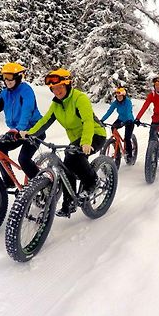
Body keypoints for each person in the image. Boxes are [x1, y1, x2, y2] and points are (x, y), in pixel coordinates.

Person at [21, 68, 107, 218]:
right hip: (76, 139)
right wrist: (30, 133)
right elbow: (45, 121)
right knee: (68, 166)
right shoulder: (56, 105)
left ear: (67, 85)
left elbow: (87, 121)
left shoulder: (80, 98)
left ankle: (92, 181)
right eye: (53, 88)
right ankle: (69, 203)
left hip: (95, 134)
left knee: (72, 156)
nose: (57, 91)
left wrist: (86, 142)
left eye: (60, 87)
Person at [100, 87, 135, 161]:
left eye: (120, 96)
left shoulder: (128, 102)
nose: (119, 98)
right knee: (113, 127)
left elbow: (128, 112)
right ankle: (117, 145)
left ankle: (130, 155)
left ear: (124, 96)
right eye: (117, 96)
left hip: (129, 120)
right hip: (121, 119)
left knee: (127, 138)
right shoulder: (115, 103)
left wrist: (128, 120)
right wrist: (102, 120)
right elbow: (109, 111)